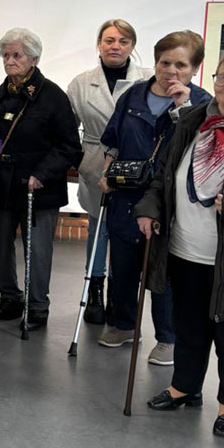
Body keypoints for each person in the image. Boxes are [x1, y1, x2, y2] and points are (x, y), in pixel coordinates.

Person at [135, 46, 224, 438]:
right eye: (222, 77)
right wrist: (149, 207)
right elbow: (164, 175)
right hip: (185, 250)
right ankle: (184, 388)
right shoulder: (193, 121)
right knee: (188, 328)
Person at [98, 31, 210, 362]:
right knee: (122, 266)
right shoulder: (133, 95)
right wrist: (107, 172)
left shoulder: (202, 103)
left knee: (164, 271)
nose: (171, 71)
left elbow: (203, 148)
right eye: (164, 63)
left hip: (170, 200)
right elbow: (113, 140)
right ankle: (123, 325)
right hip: (125, 195)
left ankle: (168, 337)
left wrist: (183, 107)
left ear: (195, 68)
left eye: (181, 65)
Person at [0, 28, 83, 330]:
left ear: (34, 59)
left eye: (17, 55)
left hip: (39, 188)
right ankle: (9, 297)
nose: (10, 61)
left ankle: (37, 305)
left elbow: (69, 147)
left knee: (37, 249)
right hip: (3, 185)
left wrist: (42, 174)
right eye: (6, 55)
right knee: (0, 243)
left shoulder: (53, 97)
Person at [66, 20, 153, 325]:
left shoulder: (148, 80)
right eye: (109, 40)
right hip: (95, 163)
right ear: (99, 44)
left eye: (123, 41)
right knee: (98, 229)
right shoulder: (80, 83)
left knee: (125, 233)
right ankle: (94, 292)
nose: (116, 46)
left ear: (132, 46)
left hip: (135, 165)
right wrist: (81, 161)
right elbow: (67, 129)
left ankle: (119, 293)